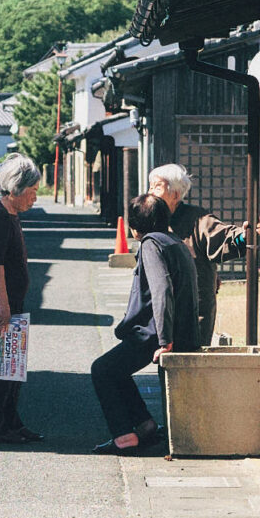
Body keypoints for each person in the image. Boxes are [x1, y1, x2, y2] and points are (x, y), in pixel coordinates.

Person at [91, 193, 199, 453]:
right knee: (115, 370)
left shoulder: (151, 245)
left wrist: (165, 341)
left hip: (156, 333)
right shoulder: (175, 241)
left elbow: (162, 290)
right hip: (179, 330)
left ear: (135, 226)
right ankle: (145, 426)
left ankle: (124, 437)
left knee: (102, 370)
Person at [0, 153, 43, 445]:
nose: (34, 198)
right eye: (32, 192)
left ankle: (12, 422)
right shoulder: (0, 219)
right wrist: (3, 303)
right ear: (16, 189)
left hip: (11, 304)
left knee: (12, 367)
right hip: (0, 306)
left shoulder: (10, 215)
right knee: (0, 371)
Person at [148, 163, 243, 342]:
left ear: (175, 194)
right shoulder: (155, 219)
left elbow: (226, 237)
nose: (151, 192)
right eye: (151, 186)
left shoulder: (198, 219)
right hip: (162, 311)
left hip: (193, 312)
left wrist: (245, 236)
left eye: (157, 187)